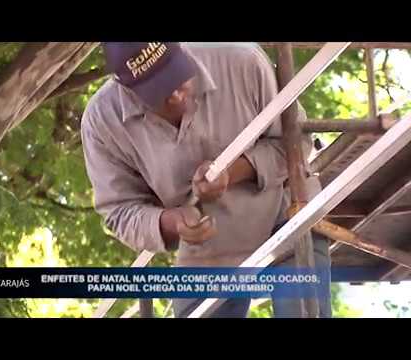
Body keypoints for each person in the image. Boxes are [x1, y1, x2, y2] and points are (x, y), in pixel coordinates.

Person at [81, 42, 331, 318]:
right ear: (125, 89)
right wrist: (174, 222)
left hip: (284, 213)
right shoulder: (102, 123)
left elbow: (296, 142)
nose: (176, 95)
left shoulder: (242, 60)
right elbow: (120, 212)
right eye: (158, 90)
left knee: (304, 312)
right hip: (207, 248)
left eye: (175, 75)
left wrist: (234, 171)